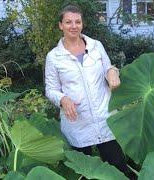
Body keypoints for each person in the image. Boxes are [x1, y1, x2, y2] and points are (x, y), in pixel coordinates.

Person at [45, 4, 135, 179]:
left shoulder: (96, 46)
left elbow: (108, 68)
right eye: (68, 22)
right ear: (60, 25)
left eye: (77, 21)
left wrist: (112, 73)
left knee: (119, 170)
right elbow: (51, 89)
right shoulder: (54, 57)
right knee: (84, 173)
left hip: (104, 117)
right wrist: (63, 99)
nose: (73, 26)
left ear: (82, 24)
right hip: (77, 122)